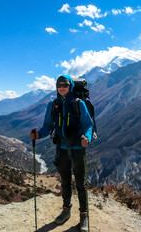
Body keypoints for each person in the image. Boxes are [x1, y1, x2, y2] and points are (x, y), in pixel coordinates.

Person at [30, 75, 93, 232]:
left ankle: (84, 216)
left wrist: (88, 137)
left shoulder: (79, 104)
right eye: (59, 85)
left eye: (65, 85)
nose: (62, 87)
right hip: (62, 148)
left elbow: (88, 125)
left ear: (70, 86)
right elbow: (47, 126)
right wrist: (38, 134)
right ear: (56, 87)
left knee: (80, 183)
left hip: (78, 148)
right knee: (65, 181)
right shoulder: (53, 105)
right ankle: (66, 210)